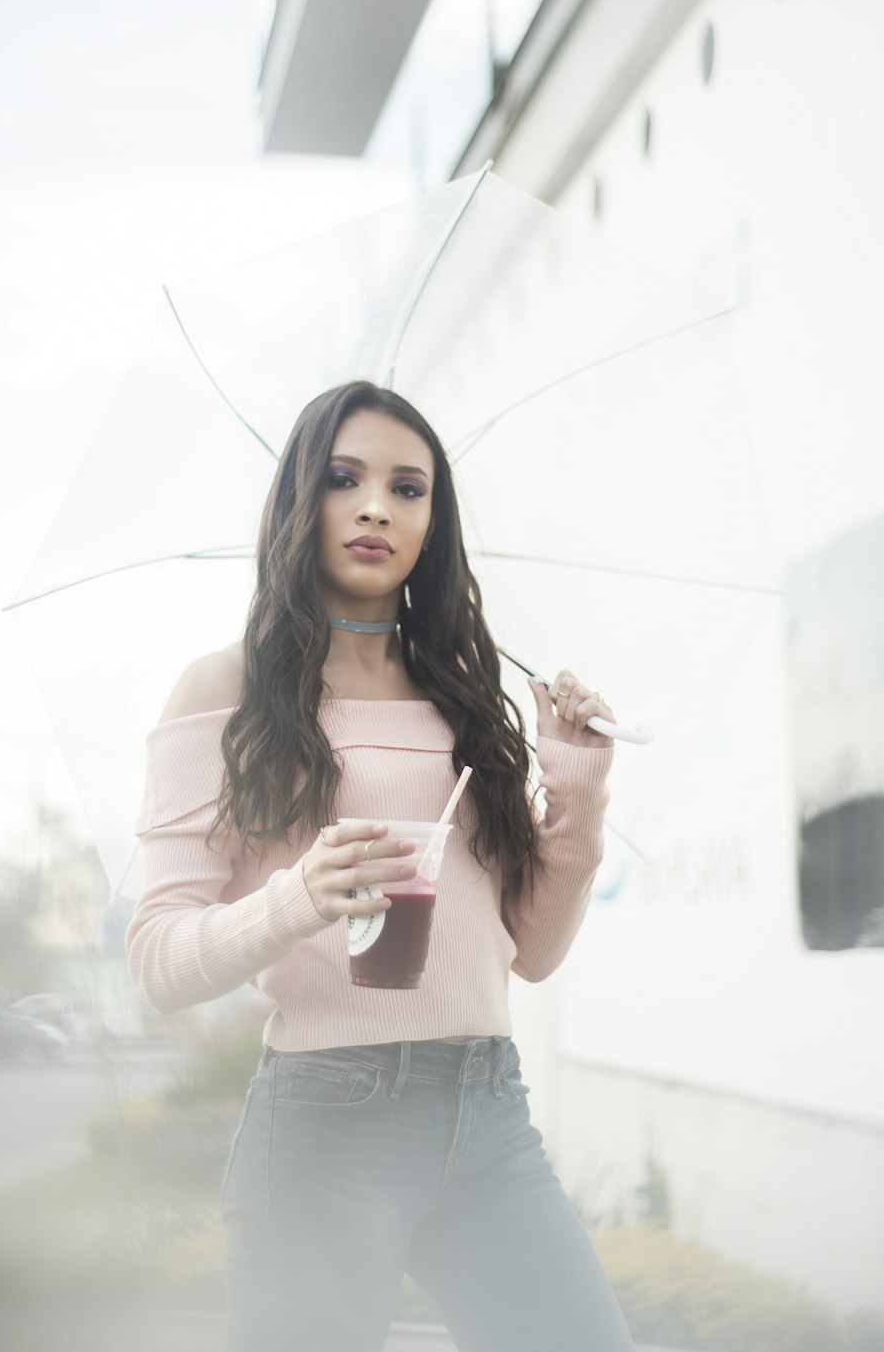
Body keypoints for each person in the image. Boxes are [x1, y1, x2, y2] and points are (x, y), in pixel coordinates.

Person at [125, 380, 637, 1352]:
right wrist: (296, 898)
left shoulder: (463, 695)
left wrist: (577, 791)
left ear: (432, 522)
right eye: (343, 478)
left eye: (409, 488)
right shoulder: (221, 688)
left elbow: (529, 952)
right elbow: (157, 960)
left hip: (486, 1112)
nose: (375, 506)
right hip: (322, 1126)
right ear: (298, 502)